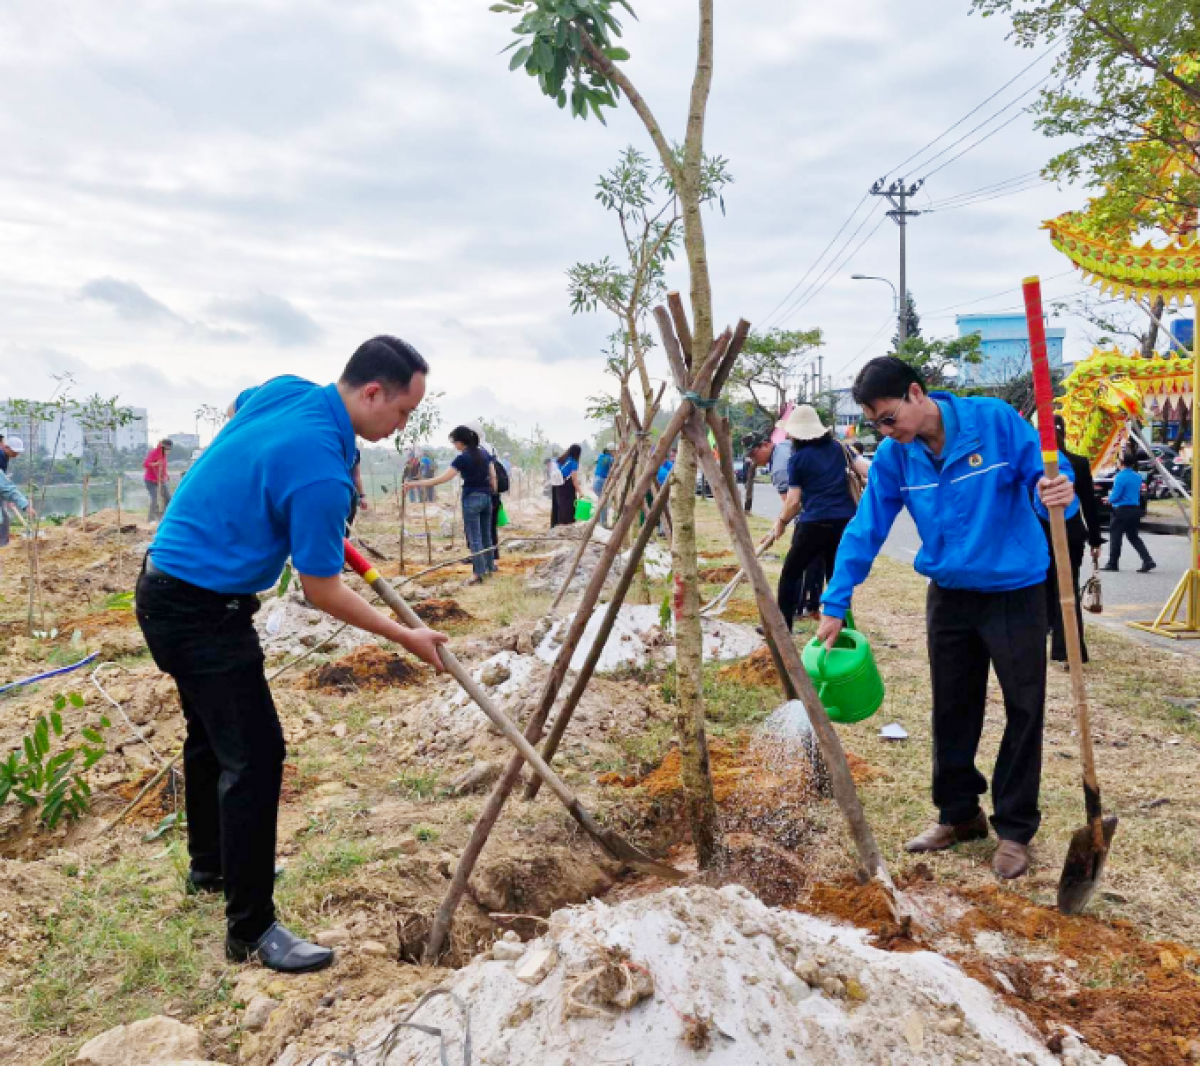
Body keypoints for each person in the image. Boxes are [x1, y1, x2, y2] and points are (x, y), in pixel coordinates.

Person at [136, 336, 448, 974]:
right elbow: (322, 589)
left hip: (163, 585)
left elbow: (241, 409)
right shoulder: (319, 475)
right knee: (256, 755)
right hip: (201, 614)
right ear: (371, 394)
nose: (402, 426)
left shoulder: (286, 392)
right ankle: (250, 931)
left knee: (209, 735)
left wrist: (257, 492)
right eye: (403, 412)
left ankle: (211, 866)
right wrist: (407, 637)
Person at [816, 356, 1074, 880]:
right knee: (953, 707)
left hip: (1015, 589)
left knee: (1024, 708)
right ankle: (959, 815)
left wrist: (1057, 491)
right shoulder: (895, 457)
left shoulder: (996, 422)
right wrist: (835, 601)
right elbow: (867, 528)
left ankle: (1016, 830)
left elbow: (1046, 479)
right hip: (951, 595)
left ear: (916, 393)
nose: (886, 432)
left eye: (889, 418)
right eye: (876, 425)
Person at [770, 406, 869, 631]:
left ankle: (783, 628)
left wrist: (781, 522)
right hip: (844, 523)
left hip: (814, 524)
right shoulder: (839, 448)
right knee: (836, 578)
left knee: (790, 575)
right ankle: (841, 628)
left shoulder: (797, 459)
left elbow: (794, 502)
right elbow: (865, 469)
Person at [1039, 416, 1103, 663]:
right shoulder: (1078, 462)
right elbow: (1089, 505)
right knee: (1068, 589)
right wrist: (1096, 540)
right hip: (1073, 534)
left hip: (1042, 535)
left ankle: (1048, 635)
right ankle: (1069, 650)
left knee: (1042, 587)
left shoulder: (1035, 466)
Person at [408, 425, 498, 581]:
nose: (454, 446)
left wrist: (416, 484)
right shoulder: (484, 453)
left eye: (454, 442)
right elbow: (493, 475)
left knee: (474, 537)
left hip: (471, 498)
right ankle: (489, 568)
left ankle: (478, 573)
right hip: (487, 497)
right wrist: (493, 491)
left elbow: (442, 479)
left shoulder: (462, 458)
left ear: (461, 442)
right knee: (486, 535)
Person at [1103, 452, 1155, 573]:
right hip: (1134, 510)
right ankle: (1147, 560)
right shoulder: (1137, 476)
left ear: (1121, 463)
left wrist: (1108, 499)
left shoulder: (1120, 476)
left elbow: (1116, 496)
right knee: (1133, 537)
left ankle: (1113, 563)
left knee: (1116, 537)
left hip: (1121, 510)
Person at [0, 437, 34, 558]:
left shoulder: (4, 458)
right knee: (3, 519)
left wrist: (7, 496)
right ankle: (2, 547)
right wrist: (25, 505)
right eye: (14, 451)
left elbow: (4, 484)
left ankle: (3, 547)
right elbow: (7, 487)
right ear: (6, 447)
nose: (16, 454)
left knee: (4, 519)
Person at [551, 444, 583, 527]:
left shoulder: (561, 459)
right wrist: (580, 492)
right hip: (567, 486)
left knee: (558, 504)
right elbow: (574, 480)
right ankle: (566, 525)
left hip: (556, 484)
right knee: (568, 506)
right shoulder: (573, 462)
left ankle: (556, 523)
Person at [144, 438, 173, 521]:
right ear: (163, 448)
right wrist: (156, 464)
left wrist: (166, 475)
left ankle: (165, 517)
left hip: (160, 480)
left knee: (168, 498)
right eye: (167, 449)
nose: (168, 451)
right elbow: (146, 464)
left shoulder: (164, 456)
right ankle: (151, 519)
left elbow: (163, 467)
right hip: (150, 481)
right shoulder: (154, 453)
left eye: (169, 449)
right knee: (155, 499)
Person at [594, 444, 615, 525]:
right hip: (602, 481)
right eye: (614, 451)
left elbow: (597, 461)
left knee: (601, 501)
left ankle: (598, 521)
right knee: (604, 503)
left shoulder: (600, 456)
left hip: (596, 480)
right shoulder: (611, 459)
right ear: (611, 451)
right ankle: (603, 523)